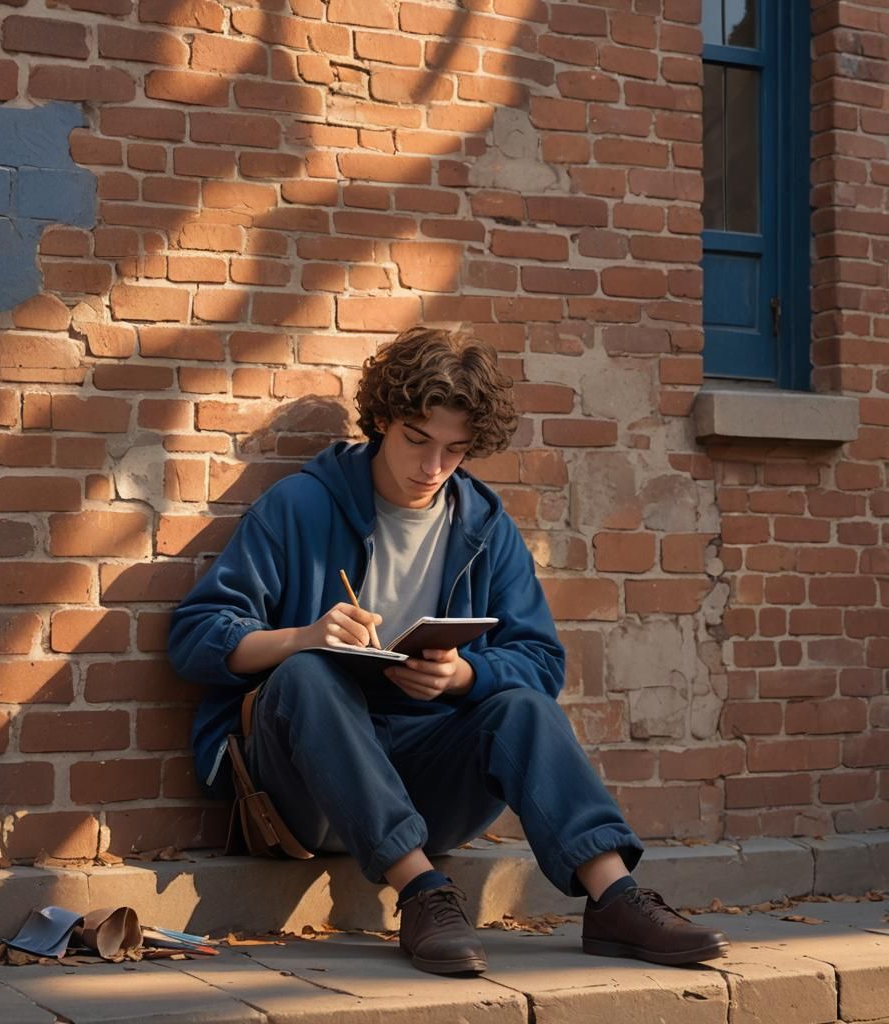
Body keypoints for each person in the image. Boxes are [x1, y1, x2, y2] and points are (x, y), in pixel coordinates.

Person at [168, 325, 729, 975]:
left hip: (427, 785)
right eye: (417, 440)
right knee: (306, 675)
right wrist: (305, 636)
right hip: (303, 788)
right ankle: (423, 894)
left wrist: (464, 675)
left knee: (523, 707)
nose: (432, 467)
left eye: (455, 451)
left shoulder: (485, 526)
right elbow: (195, 635)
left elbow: (541, 661)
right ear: (383, 419)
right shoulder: (300, 506)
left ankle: (616, 899)